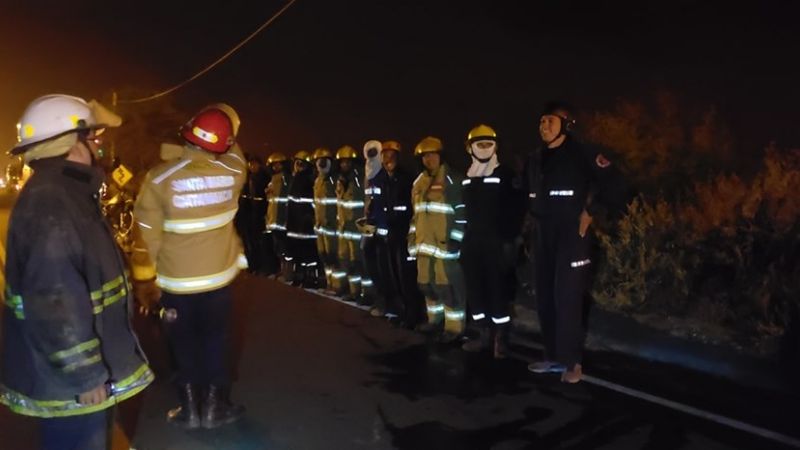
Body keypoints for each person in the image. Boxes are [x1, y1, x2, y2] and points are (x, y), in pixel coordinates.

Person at [0, 94, 153, 450]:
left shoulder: (65, 192)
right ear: (71, 143)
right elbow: (55, 300)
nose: (98, 145)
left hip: (71, 377)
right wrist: (85, 374)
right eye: (93, 137)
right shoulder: (52, 203)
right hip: (72, 383)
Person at [134, 105, 247, 428]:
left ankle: (190, 409)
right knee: (215, 342)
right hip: (219, 284)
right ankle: (215, 408)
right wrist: (227, 121)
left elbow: (144, 239)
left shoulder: (159, 178)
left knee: (182, 345)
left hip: (175, 286)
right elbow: (231, 148)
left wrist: (144, 282)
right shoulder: (234, 172)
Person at [526, 101, 627, 383]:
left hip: (572, 233)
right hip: (543, 233)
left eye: (550, 121)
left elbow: (615, 182)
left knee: (567, 297)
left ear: (565, 125)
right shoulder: (536, 157)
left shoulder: (582, 152)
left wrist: (591, 212)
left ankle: (572, 363)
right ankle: (553, 356)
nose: (544, 126)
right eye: (542, 121)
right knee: (545, 294)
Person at [459, 124, 526, 359]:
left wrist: (511, 241)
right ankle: (482, 335)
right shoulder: (467, 177)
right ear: (471, 148)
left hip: (497, 244)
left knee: (498, 292)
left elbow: (518, 209)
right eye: (480, 144)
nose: (485, 148)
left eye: (489, 144)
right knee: (476, 291)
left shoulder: (506, 175)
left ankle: (501, 339)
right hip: (473, 244)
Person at [409, 136, 467, 343]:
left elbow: (461, 213)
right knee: (426, 285)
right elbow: (415, 215)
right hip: (424, 246)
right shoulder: (418, 183)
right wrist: (411, 239)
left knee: (448, 287)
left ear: (441, 156)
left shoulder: (453, 180)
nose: (429, 159)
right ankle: (434, 321)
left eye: (432, 155)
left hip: (445, 247)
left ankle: (454, 328)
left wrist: (456, 239)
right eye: (425, 156)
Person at [374, 140, 423, 328]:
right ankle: (399, 310)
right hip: (390, 235)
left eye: (391, 155)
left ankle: (413, 314)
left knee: (407, 275)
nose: (388, 159)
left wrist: (396, 214)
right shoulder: (384, 178)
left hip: (405, 233)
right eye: (385, 155)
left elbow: (409, 207)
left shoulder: (407, 177)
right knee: (392, 274)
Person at [334, 145, 365, 302]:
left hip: (357, 230)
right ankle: (353, 291)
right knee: (346, 261)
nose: (344, 165)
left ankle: (365, 293)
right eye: (342, 162)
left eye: (348, 162)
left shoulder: (359, 180)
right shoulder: (340, 181)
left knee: (359, 263)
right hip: (344, 230)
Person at [285, 150, 319, 288]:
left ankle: (310, 278)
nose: (298, 166)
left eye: (301, 164)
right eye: (297, 163)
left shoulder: (309, 180)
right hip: (294, 224)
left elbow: (312, 201)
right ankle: (299, 276)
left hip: (305, 223)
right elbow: (292, 202)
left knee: (308, 253)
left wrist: (309, 217)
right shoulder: (295, 179)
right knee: (297, 252)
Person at [358, 139, 384, 308]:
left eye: (375, 152)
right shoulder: (367, 173)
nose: (372, 155)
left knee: (381, 265)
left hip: (381, 226)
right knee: (368, 259)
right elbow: (368, 199)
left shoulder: (383, 172)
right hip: (369, 225)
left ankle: (382, 300)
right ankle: (375, 296)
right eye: (370, 152)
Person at [312, 147, 339, 293]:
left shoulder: (335, 180)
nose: (321, 164)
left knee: (334, 256)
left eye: (324, 161)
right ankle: (329, 283)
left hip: (332, 226)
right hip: (320, 226)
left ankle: (337, 286)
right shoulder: (318, 181)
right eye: (319, 161)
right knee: (324, 256)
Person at [237, 154, 270, 275]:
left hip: (259, 215)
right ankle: (252, 265)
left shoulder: (264, 178)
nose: (252, 166)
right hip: (248, 216)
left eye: (254, 164)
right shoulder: (247, 178)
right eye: (250, 164)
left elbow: (263, 200)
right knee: (249, 242)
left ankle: (262, 266)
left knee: (260, 243)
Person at [265, 152, 292, 281]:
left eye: (278, 164)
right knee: (278, 248)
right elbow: (270, 199)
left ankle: (288, 273)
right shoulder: (272, 179)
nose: (276, 167)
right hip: (273, 220)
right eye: (274, 165)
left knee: (286, 249)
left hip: (282, 220)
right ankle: (282, 271)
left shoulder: (286, 179)